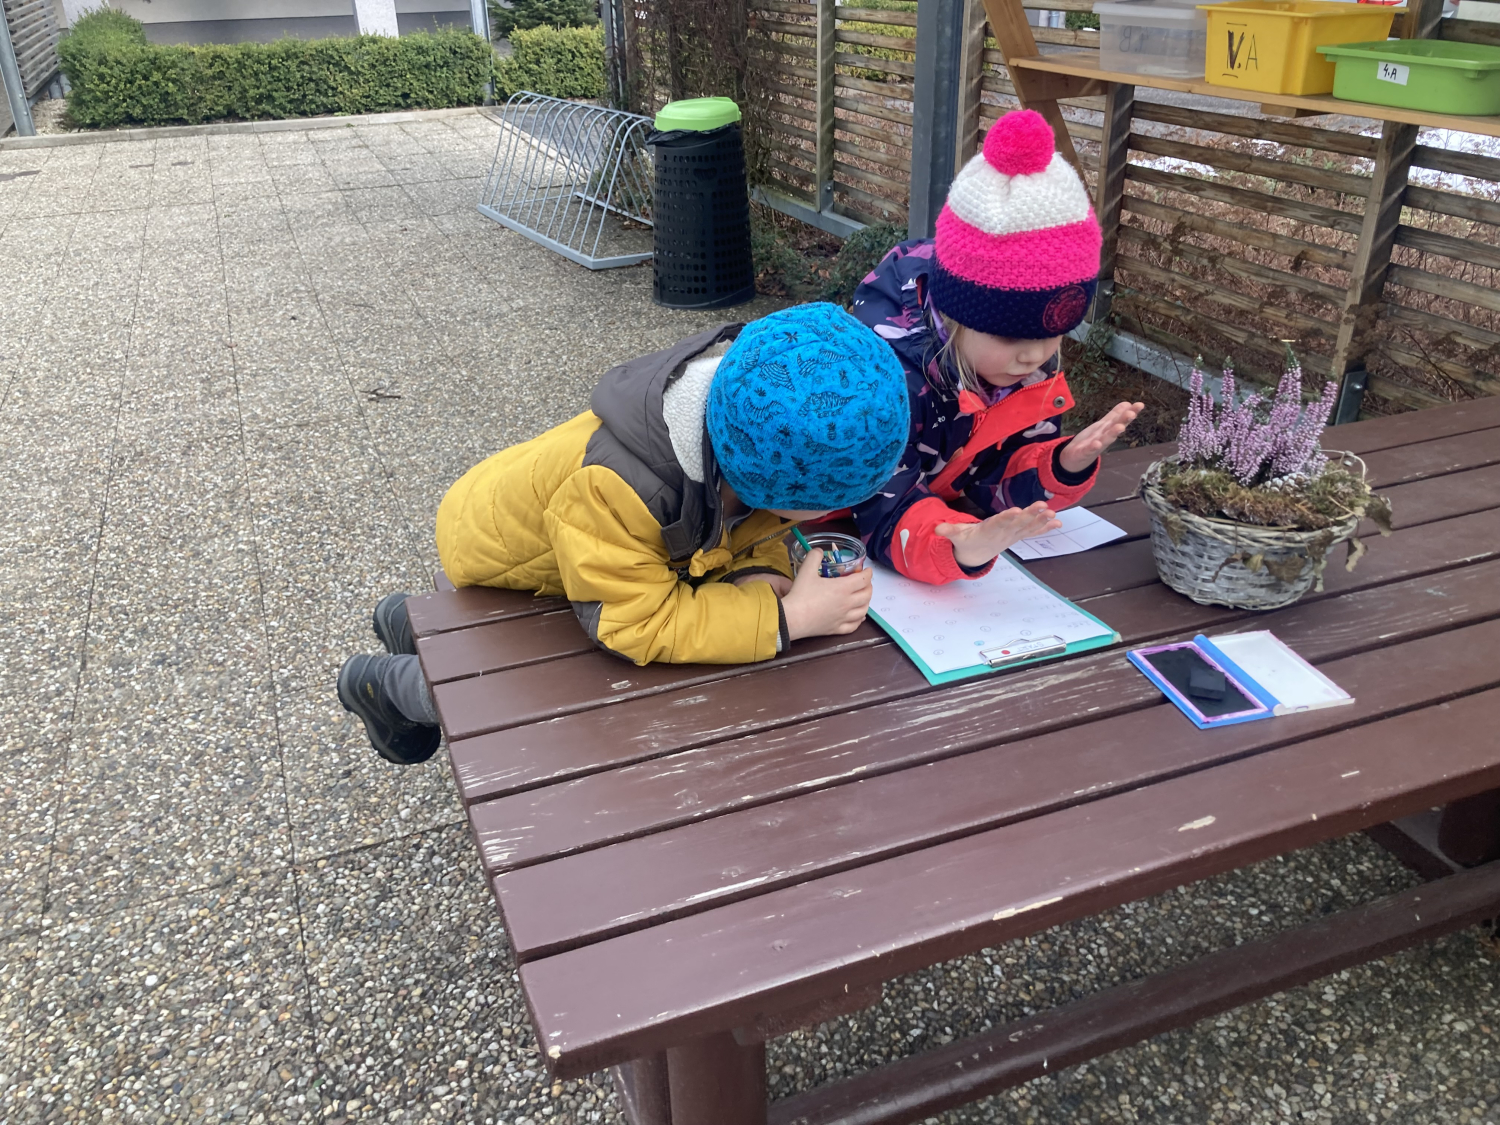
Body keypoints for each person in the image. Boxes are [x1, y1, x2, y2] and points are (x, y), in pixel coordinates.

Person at [337, 302, 910, 764]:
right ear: (781, 490)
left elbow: (754, 522)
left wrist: (759, 572)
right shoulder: (620, 489)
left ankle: (404, 620)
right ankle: (386, 688)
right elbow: (630, 624)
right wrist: (789, 619)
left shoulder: (749, 417)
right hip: (493, 553)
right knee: (558, 698)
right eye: (823, 506)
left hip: (585, 543)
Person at [849, 109, 1144, 585]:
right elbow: (879, 507)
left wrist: (1061, 464)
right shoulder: (888, 379)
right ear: (955, 314)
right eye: (1010, 336)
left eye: (1053, 334)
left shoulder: (1023, 368)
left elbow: (994, 478)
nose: (1035, 356)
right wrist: (958, 545)